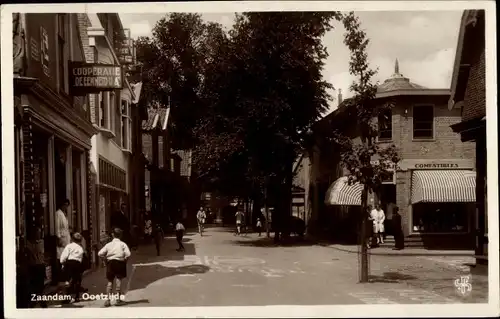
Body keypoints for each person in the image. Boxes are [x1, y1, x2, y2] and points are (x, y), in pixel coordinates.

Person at [98, 228, 131, 307]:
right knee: (118, 281)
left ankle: (108, 300)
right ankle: (118, 300)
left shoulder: (108, 245)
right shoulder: (123, 244)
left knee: (110, 281)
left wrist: (104, 260)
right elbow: (128, 254)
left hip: (110, 263)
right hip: (120, 262)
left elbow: (100, 253)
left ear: (112, 235)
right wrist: (125, 260)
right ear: (121, 235)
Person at [25, 227, 47, 308]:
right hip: (32, 266)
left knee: (40, 286)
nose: (39, 234)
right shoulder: (27, 243)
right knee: (33, 285)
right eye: (38, 233)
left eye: (39, 233)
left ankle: (41, 301)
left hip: (40, 266)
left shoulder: (42, 242)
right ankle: (34, 301)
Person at [60, 232, 85, 303]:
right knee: (77, 280)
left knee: (68, 280)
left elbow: (63, 257)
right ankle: (77, 297)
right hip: (78, 264)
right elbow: (81, 258)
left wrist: (63, 263)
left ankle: (67, 297)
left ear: (72, 239)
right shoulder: (81, 248)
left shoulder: (69, 246)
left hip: (69, 264)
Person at [55, 199, 71, 287]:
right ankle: (61, 277)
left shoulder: (64, 214)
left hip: (66, 239)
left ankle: (65, 276)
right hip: (62, 240)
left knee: (65, 258)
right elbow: (57, 227)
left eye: (67, 205)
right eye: (65, 205)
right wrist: (59, 238)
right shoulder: (58, 213)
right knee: (61, 258)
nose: (66, 207)